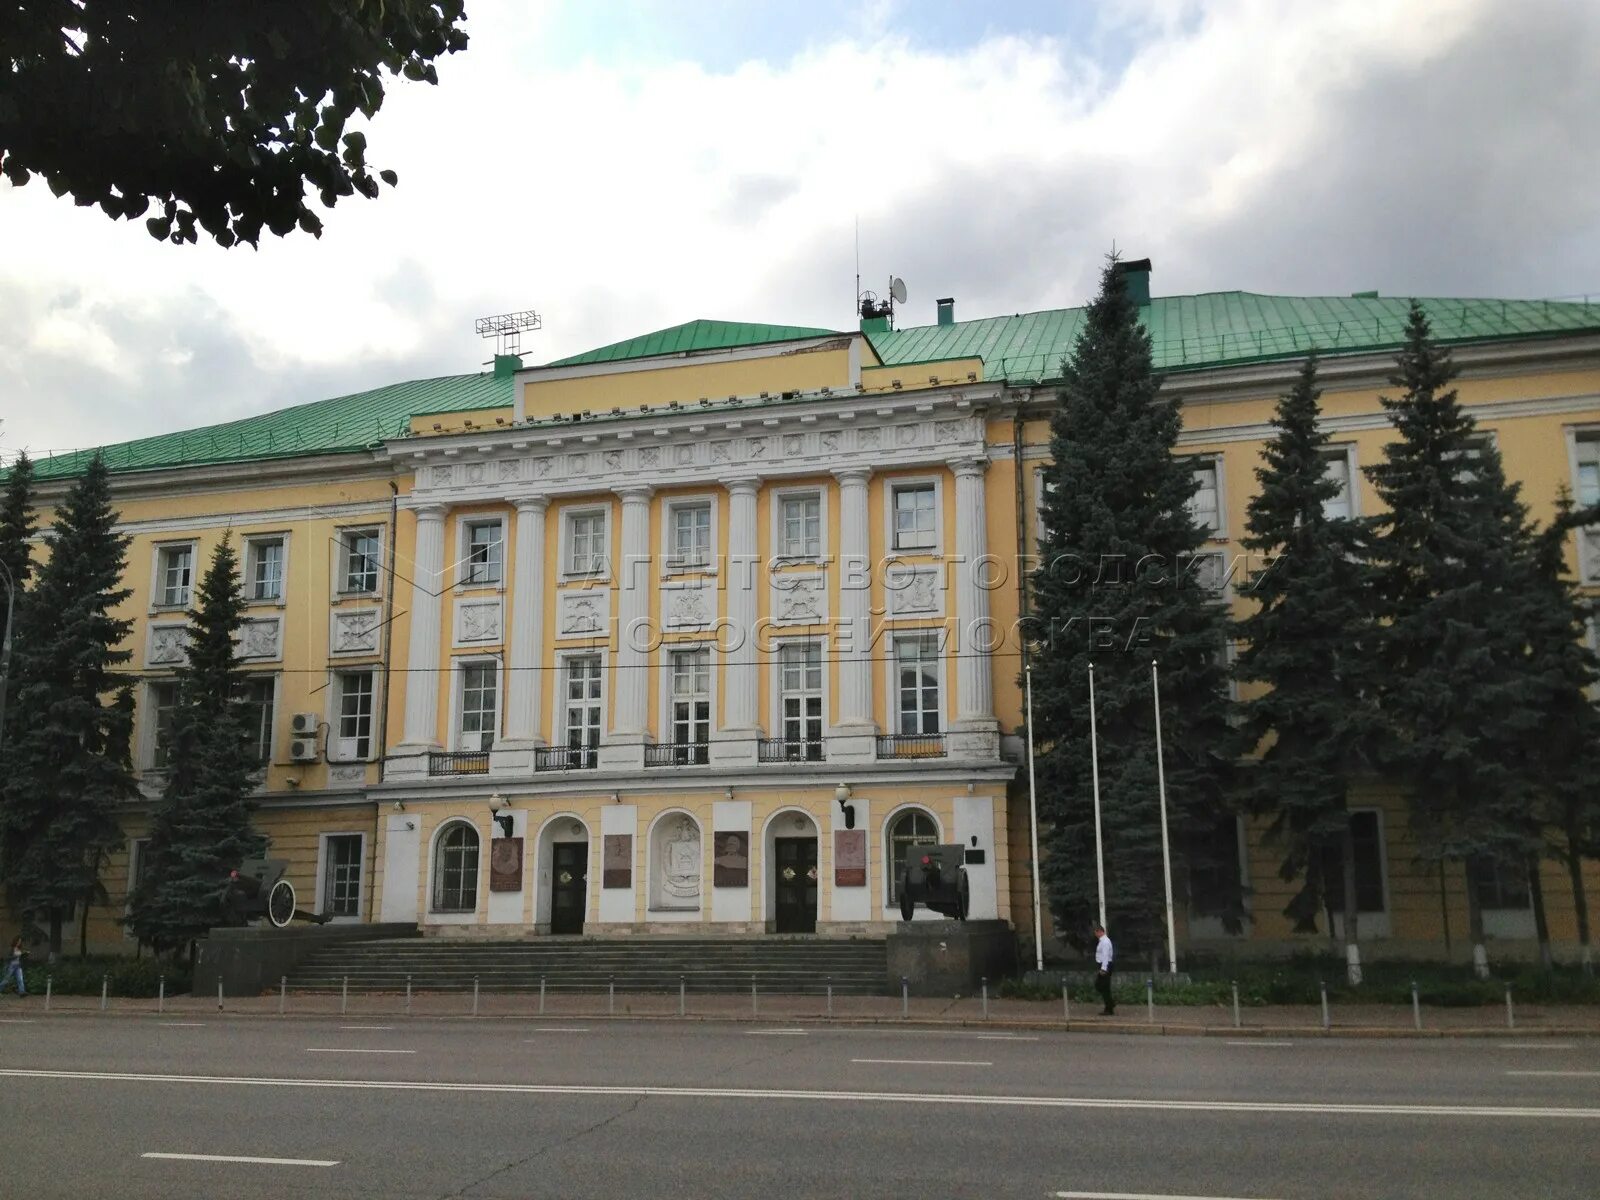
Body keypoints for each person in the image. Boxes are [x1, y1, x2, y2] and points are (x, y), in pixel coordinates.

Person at [1093, 924, 1114, 1015]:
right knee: (1104, 987)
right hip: (1104, 965)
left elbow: (1105, 956)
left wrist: (1103, 968)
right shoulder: (1102, 941)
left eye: (1096, 932)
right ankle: (1110, 1005)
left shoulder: (1105, 942)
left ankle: (1110, 1005)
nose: (1095, 934)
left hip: (1105, 965)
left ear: (1100, 931)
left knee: (1101, 986)